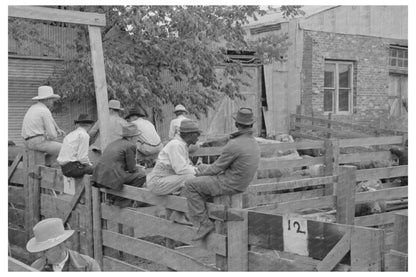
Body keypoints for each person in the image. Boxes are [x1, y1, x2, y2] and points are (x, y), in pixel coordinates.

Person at [181, 107, 261, 240]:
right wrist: (205, 170)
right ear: (251, 124)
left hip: (230, 183)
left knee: (190, 185)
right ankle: (211, 215)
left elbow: (216, 169)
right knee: (203, 169)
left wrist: (201, 174)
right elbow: (220, 167)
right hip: (240, 181)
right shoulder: (253, 143)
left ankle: (204, 223)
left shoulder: (235, 144)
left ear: (236, 124)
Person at [92, 123, 147, 208]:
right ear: (131, 137)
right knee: (141, 176)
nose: (137, 139)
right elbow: (132, 169)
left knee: (125, 176)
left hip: (98, 176)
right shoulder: (130, 145)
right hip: (111, 177)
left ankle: (112, 198)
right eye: (136, 136)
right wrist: (140, 169)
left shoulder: (115, 143)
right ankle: (123, 201)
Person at [26, 218, 100, 271]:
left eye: (46, 250)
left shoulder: (89, 266)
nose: (41, 255)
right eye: (41, 250)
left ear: (62, 246)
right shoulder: (35, 268)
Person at [21, 86, 65, 165]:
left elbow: (50, 119)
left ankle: (45, 164)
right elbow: (52, 135)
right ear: (47, 100)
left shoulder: (33, 107)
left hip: (27, 141)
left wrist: (57, 128)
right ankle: (46, 166)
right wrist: (54, 134)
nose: (53, 102)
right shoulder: (45, 111)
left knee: (53, 146)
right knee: (66, 148)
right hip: (38, 143)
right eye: (52, 99)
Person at [57, 114, 95, 178]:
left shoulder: (70, 134)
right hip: (73, 168)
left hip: (64, 169)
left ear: (78, 124)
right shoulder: (84, 135)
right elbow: (82, 158)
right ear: (90, 125)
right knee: (98, 170)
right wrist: (90, 165)